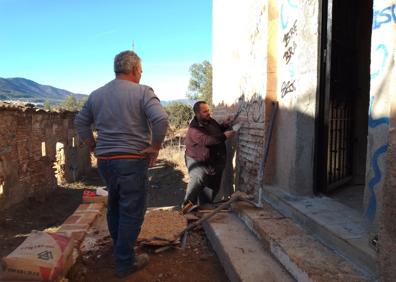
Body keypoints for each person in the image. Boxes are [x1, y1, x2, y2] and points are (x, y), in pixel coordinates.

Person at [74, 50, 168, 278]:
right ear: (135, 69)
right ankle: (125, 262)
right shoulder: (143, 92)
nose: (141, 75)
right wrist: (155, 147)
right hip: (131, 161)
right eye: (141, 71)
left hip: (106, 162)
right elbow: (161, 119)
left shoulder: (97, 95)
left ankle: (119, 250)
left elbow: (80, 122)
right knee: (132, 210)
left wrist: (94, 146)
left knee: (115, 204)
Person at [182, 101, 235, 209]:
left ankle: (203, 209)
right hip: (196, 160)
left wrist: (225, 125)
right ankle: (186, 210)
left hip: (211, 161)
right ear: (197, 113)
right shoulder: (194, 129)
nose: (208, 113)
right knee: (198, 181)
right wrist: (224, 136)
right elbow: (207, 140)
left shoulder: (209, 120)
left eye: (208, 110)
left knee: (211, 186)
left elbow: (216, 130)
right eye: (205, 111)